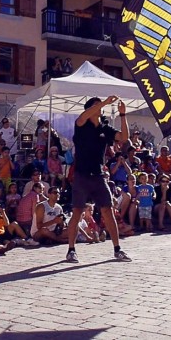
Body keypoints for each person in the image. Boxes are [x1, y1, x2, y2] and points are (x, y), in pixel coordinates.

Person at [67, 96, 132, 263]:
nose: (100, 108)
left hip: (98, 175)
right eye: (95, 106)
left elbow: (124, 137)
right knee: (77, 212)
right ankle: (71, 250)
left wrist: (123, 115)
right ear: (89, 109)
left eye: (100, 106)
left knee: (108, 211)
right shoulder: (81, 124)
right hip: (81, 175)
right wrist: (103, 103)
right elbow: (83, 116)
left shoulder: (105, 127)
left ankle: (117, 249)